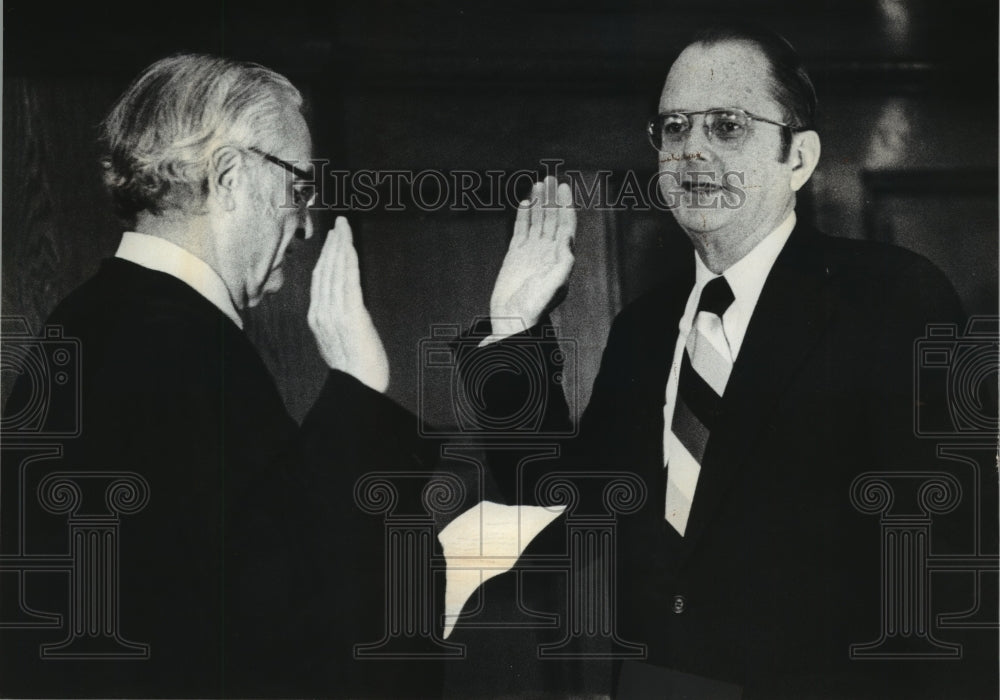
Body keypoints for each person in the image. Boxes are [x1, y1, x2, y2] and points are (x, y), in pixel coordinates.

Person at [469, 25, 994, 698]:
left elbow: (948, 567)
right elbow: (565, 532)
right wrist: (514, 330)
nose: (692, 149)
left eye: (727, 126)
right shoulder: (643, 330)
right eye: (675, 127)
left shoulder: (892, 299)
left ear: (797, 158)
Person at [0, 54, 439, 698]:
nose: (307, 222)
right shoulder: (179, 344)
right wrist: (358, 388)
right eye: (298, 189)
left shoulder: (94, 317)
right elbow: (286, 616)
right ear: (230, 177)